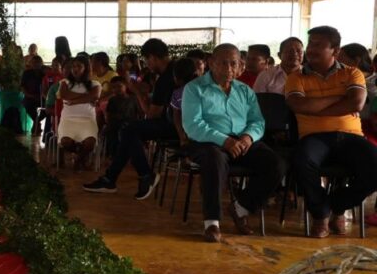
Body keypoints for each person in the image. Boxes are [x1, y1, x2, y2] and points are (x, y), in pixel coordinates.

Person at [182, 44, 282, 242]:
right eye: (223, 63)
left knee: (276, 164)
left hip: (241, 139)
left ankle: (240, 208)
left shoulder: (245, 91)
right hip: (208, 141)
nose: (229, 68)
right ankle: (212, 223)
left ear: (240, 66)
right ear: (211, 63)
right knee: (214, 160)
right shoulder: (195, 88)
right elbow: (193, 125)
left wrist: (248, 137)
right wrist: (225, 140)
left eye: (233, 63)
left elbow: (257, 121)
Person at [285, 26, 377, 238]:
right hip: (313, 137)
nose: (310, 50)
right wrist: (339, 98)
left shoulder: (352, 73)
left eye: (318, 45)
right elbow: (299, 105)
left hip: (350, 136)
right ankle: (320, 216)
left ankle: (335, 206)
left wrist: (315, 105)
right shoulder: (296, 76)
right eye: (310, 44)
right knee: (301, 161)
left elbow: (356, 103)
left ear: (335, 51)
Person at [83, 38, 177, 199]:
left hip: (175, 125)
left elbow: (151, 114)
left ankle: (145, 175)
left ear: (153, 57)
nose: (146, 64)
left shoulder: (165, 79)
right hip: (180, 121)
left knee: (128, 129)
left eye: (146, 60)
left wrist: (135, 90)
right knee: (128, 132)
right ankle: (110, 179)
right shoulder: (176, 70)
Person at [57, 54, 100, 171]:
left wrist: (74, 101)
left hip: (87, 120)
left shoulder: (95, 84)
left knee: (90, 142)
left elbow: (95, 95)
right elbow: (64, 95)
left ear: (86, 68)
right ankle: (80, 156)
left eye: (79, 66)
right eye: (73, 66)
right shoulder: (65, 83)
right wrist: (87, 96)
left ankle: (78, 159)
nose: (75, 69)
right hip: (68, 120)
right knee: (65, 141)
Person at [103, 76, 138, 158]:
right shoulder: (112, 100)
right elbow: (108, 114)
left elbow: (137, 113)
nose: (116, 89)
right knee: (113, 131)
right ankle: (114, 155)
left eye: (119, 86)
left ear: (125, 86)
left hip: (130, 123)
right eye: (114, 87)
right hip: (115, 123)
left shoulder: (133, 99)